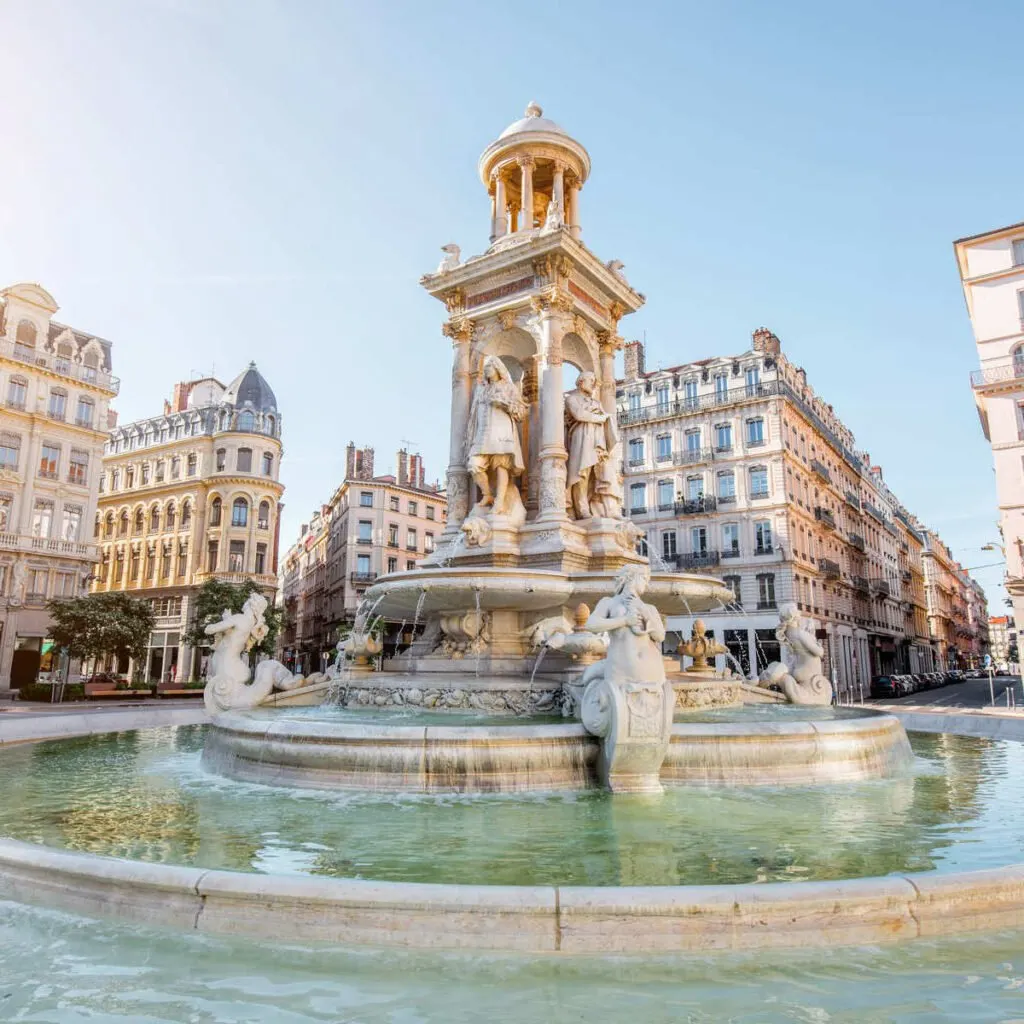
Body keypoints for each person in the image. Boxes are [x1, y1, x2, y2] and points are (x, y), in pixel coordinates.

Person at [466, 355, 526, 516]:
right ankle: (487, 495)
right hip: (482, 434)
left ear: (498, 369)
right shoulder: (481, 388)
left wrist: (504, 404)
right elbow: (473, 413)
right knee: (474, 465)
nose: (487, 370)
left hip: (501, 431)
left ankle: (499, 502)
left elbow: (521, 412)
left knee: (501, 466)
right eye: (485, 368)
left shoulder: (509, 387)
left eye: (489, 367)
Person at [565, 371, 619, 519]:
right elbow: (579, 415)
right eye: (591, 380)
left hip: (597, 438)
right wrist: (600, 418)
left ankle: (601, 507)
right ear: (581, 382)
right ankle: (581, 509)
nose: (594, 384)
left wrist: (601, 417)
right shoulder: (572, 399)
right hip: (581, 435)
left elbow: (602, 418)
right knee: (581, 472)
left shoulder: (596, 402)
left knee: (598, 473)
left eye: (595, 381)